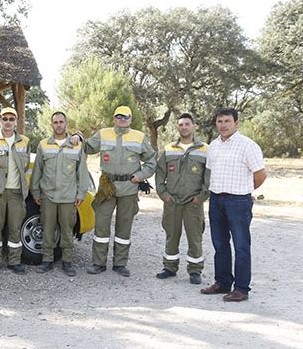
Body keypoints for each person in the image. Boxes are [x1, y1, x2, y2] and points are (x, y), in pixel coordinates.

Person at [79, 105, 156, 277]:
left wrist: (141, 175)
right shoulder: (103, 133)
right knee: (101, 225)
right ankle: (98, 263)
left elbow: (151, 160)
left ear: (130, 119)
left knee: (124, 226)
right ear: (114, 118)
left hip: (129, 188)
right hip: (107, 187)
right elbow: (87, 147)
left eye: (126, 116)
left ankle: (120, 263)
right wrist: (77, 137)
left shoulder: (139, 137)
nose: (122, 119)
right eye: (119, 116)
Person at [200, 107, 266, 302]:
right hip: (216, 200)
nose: (223, 125)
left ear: (236, 123)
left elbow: (261, 174)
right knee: (220, 244)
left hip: (238, 201)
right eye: (220, 121)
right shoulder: (213, 146)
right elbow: (212, 172)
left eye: (227, 121)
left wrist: (246, 191)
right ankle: (222, 282)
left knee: (241, 245)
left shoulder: (248, 145)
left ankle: (241, 289)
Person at [30, 111, 89, 277]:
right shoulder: (43, 145)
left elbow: (82, 172)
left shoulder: (77, 145)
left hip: (69, 197)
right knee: (47, 229)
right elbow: (37, 171)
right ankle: (47, 260)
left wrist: (81, 193)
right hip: (48, 196)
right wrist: (35, 192)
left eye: (61, 122)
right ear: (51, 125)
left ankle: (67, 262)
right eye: (55, 122)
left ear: (66, 124)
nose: (58, 125)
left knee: (67, 230)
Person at [155, 113, 209, 285]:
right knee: (171, 235)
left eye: (187, 124)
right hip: (172, 202)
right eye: (181, 124)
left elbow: (209, 178)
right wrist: (164, 195)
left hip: (193, 203)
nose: (184, 127)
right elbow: (159, 174)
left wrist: (200, 198)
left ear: (194, 127)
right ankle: (170, 267)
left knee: (195, 237)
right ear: (178, 128)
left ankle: (195, 271)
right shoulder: (169, 149)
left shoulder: (205, 150)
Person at [0, 107, 30, 275]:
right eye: (5, 118)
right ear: (0, 120)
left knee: (15, 229)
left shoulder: (24, 141)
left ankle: (14, 262)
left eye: (11, 119)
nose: (8, 122)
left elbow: (25, 168)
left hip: (17, 193)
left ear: (16, 121)